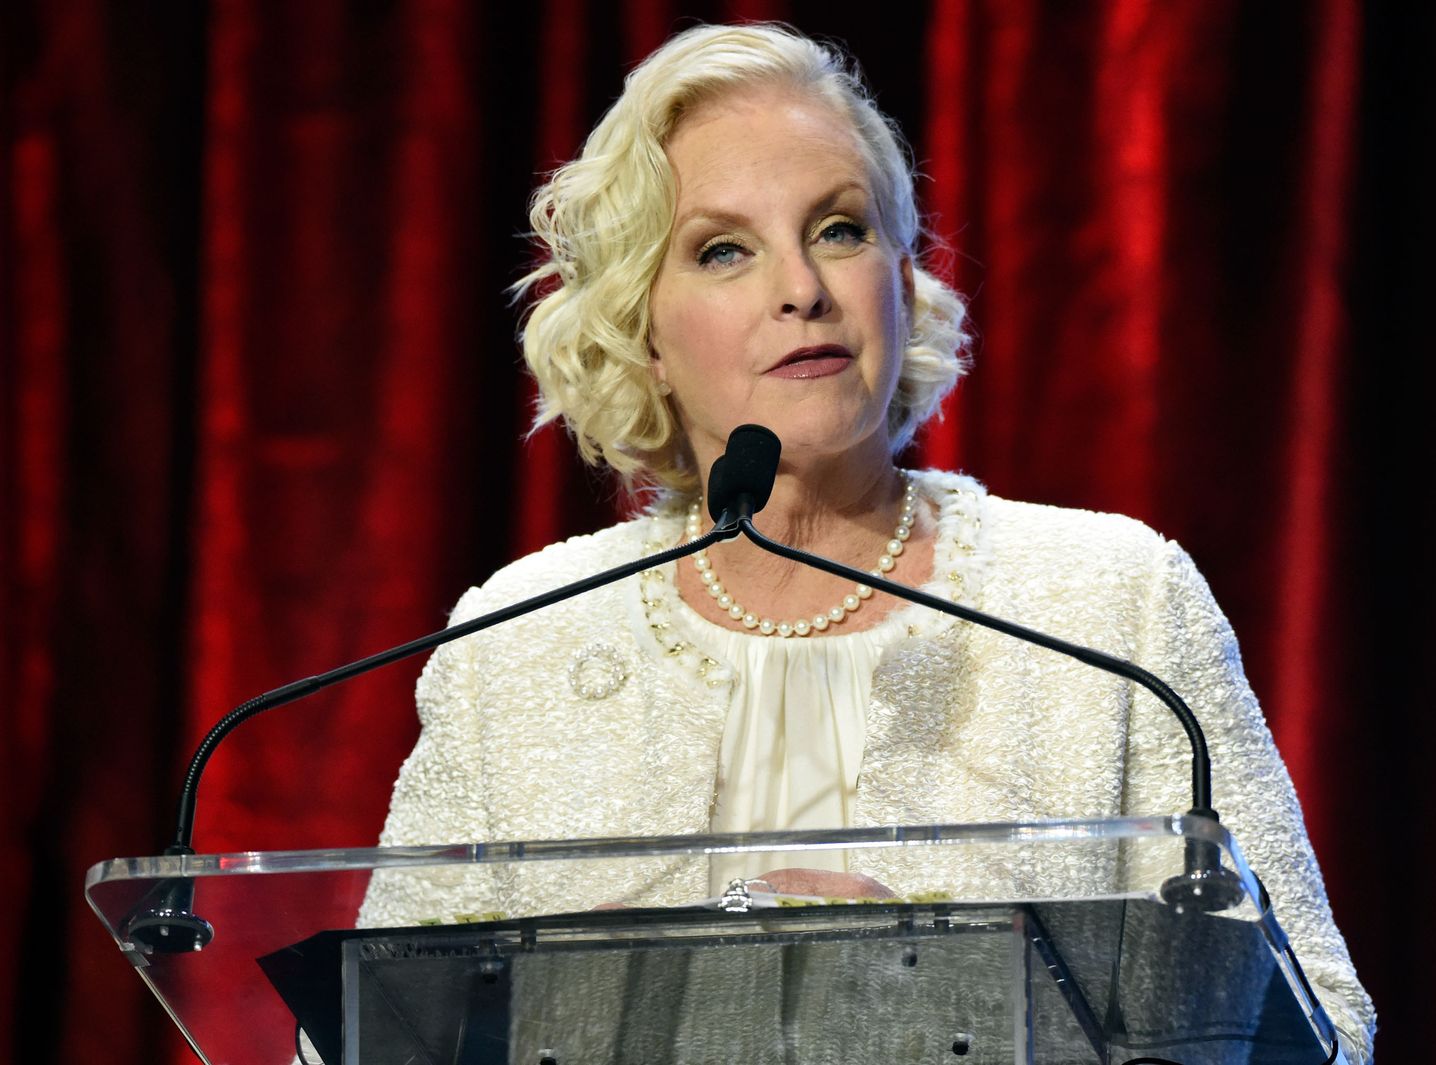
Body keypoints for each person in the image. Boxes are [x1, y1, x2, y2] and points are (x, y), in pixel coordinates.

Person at [359, 22, 1375, 1061]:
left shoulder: (1112, 604)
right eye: (723, 250)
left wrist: (950, 1001)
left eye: (839, 229)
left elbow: (1317, 1034)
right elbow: (378, 1036)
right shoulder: (518, 642)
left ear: (899, 279)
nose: (801, 287)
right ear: (643, 334)